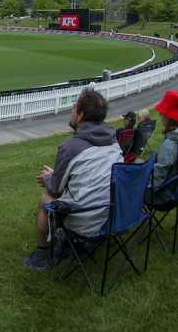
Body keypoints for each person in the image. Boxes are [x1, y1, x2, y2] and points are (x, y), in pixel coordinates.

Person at [23, 89, 122, 271]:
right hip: (113, 215)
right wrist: (56, 175)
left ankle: (42, 255)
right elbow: (88, 176)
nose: (71, 111)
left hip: (86, 220)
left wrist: (48, 178)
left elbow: (55, 189)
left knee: (46, 198)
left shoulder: (71, 147)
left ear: (81, 115)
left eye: (74, 108)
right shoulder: (113, 141)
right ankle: (72, 244)